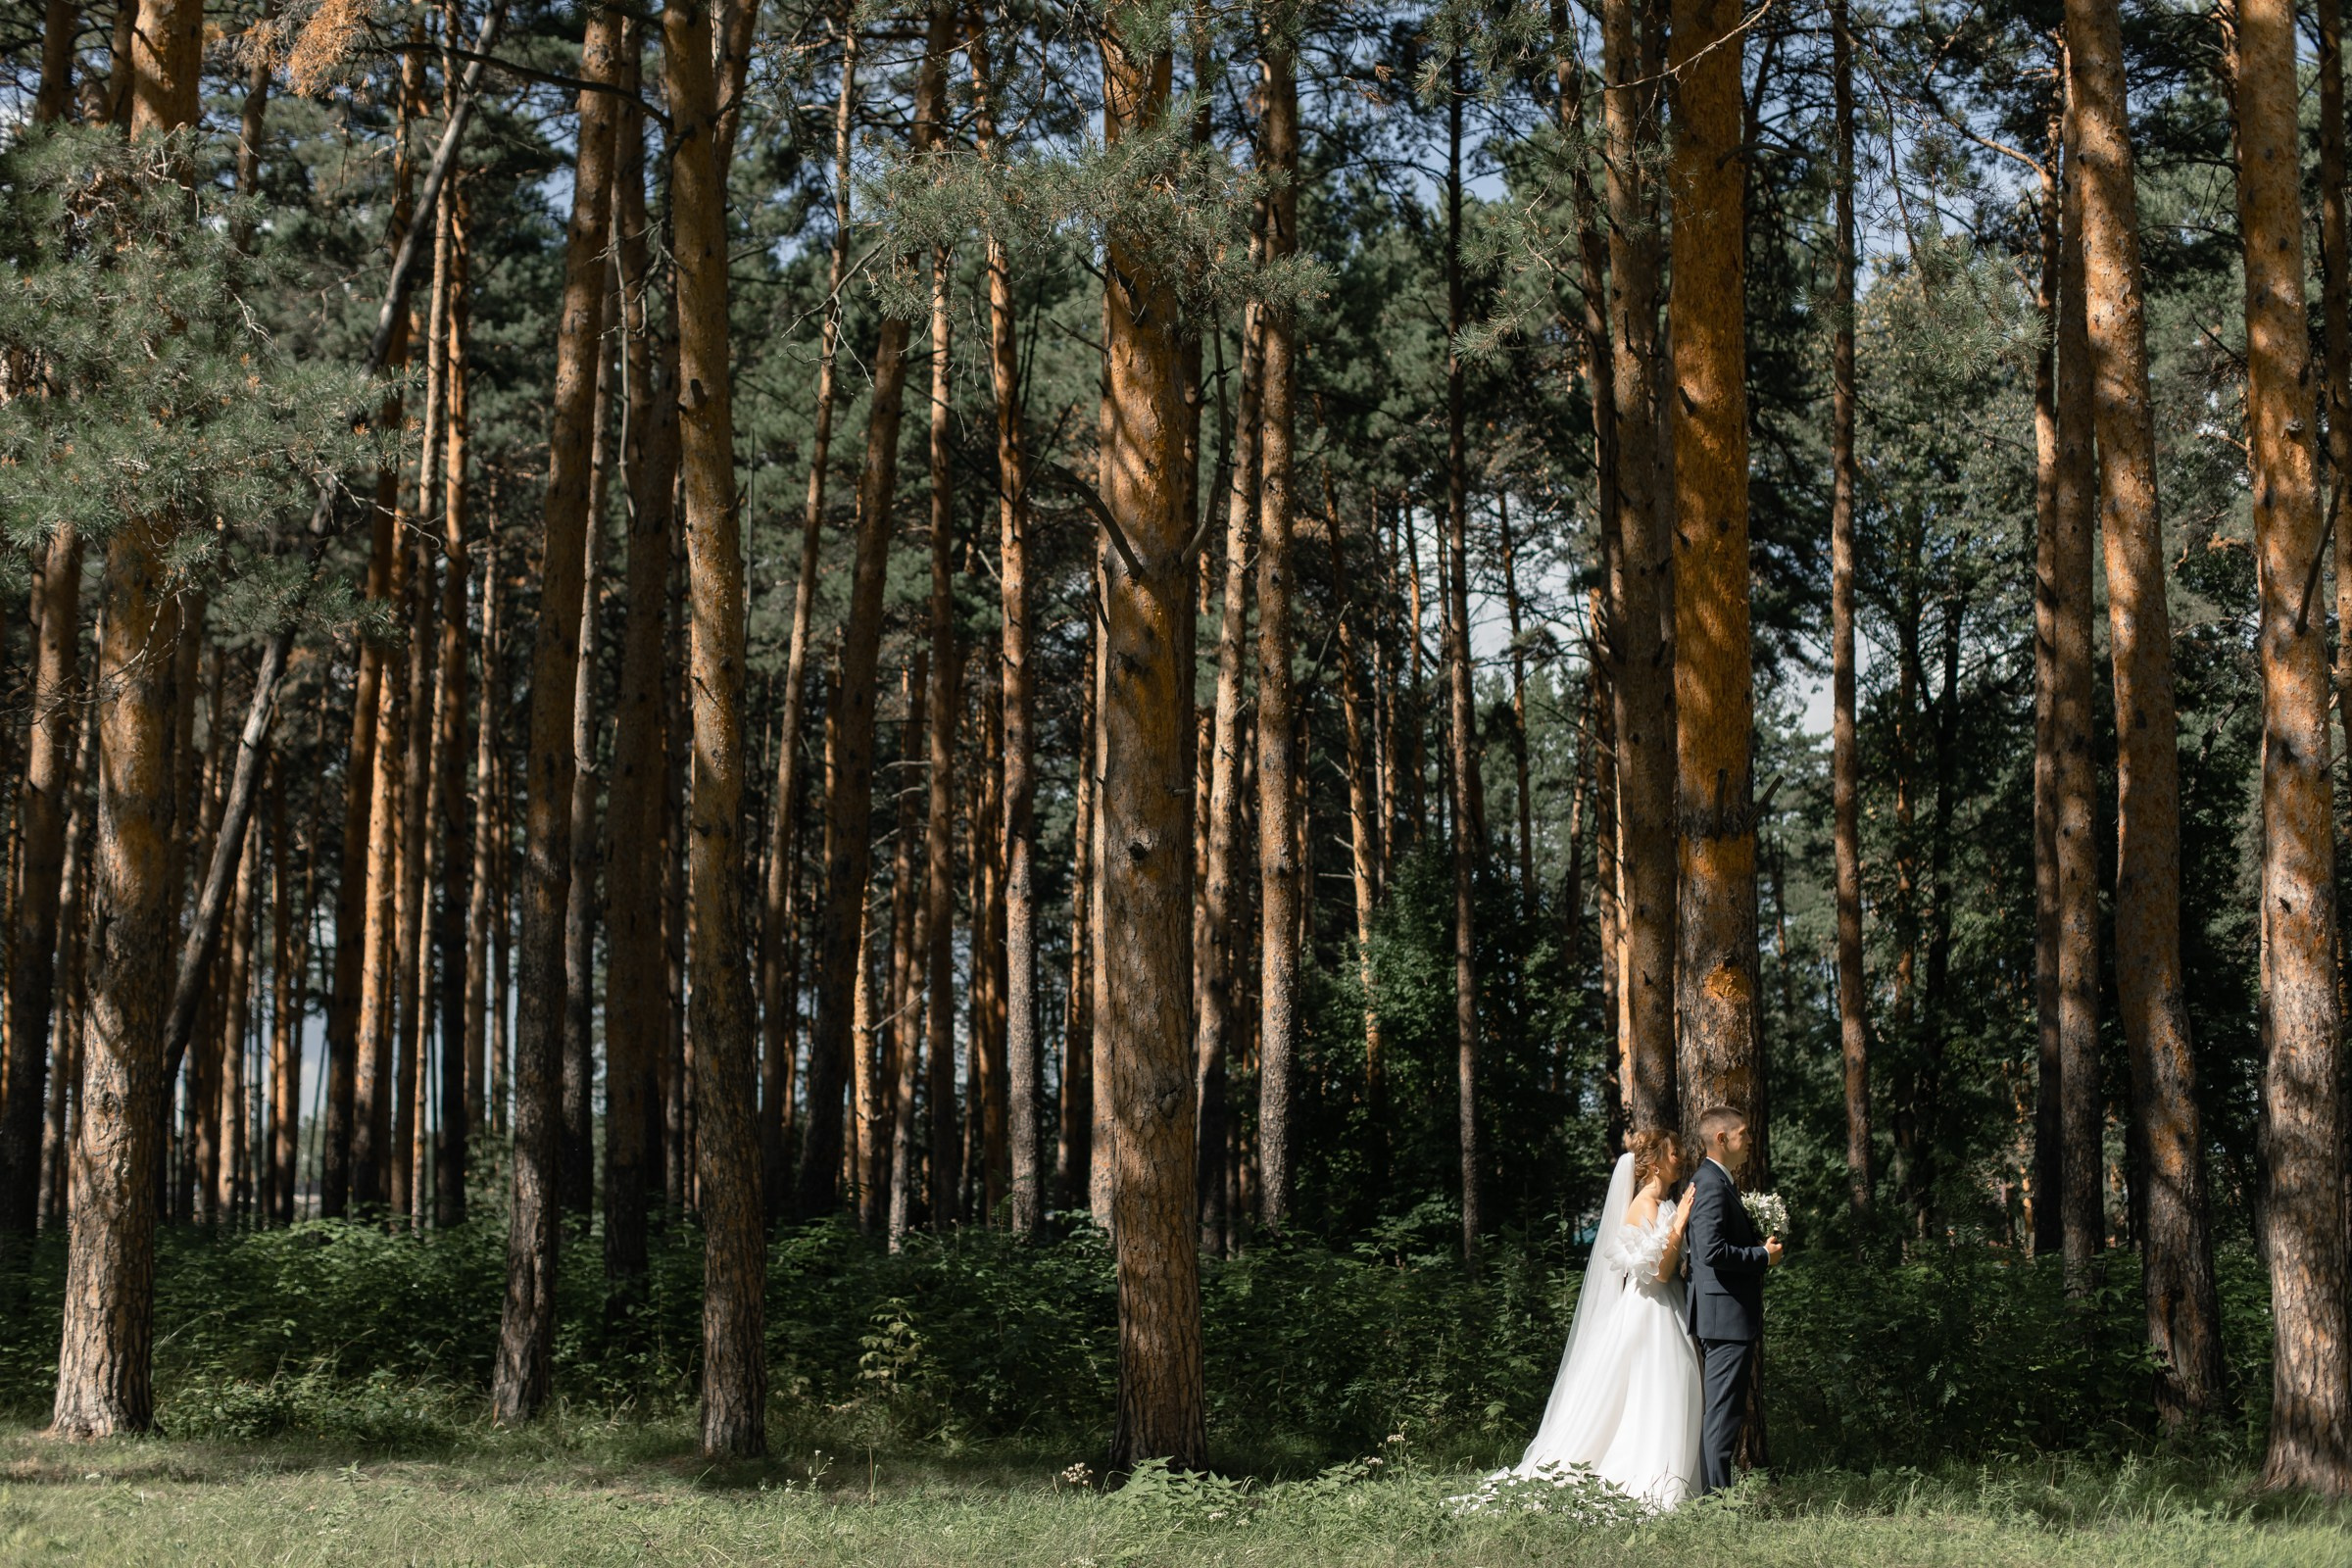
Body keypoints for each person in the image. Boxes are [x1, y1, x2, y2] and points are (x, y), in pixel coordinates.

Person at [1503, 1128, 1703, 1510]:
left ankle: (1677, 1481)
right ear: (1656, 1161)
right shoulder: (1645, 1205)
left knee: (1671, 1386)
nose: (1682, 1158)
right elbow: (1659, 1273)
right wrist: (1678, 1224)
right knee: (1662, 1387)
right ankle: (1653, 1482)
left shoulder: (1663, 1202)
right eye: (1675, 1152)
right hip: (1651, 1312)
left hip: (1668, 1306)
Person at [1684, 1103, 1783, 1495]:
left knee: (1724, 1413)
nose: (1750, 1140)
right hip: (1723, 1316)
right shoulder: (1710, 1183)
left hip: (1722, 1314)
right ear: (1721, 1139)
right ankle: (1716, 1506)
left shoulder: (1717, 1181)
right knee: (1722, 1416)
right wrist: (1762, 1257)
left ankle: (1715, 1499)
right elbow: (1710, 1251)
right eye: (1743, 1133)